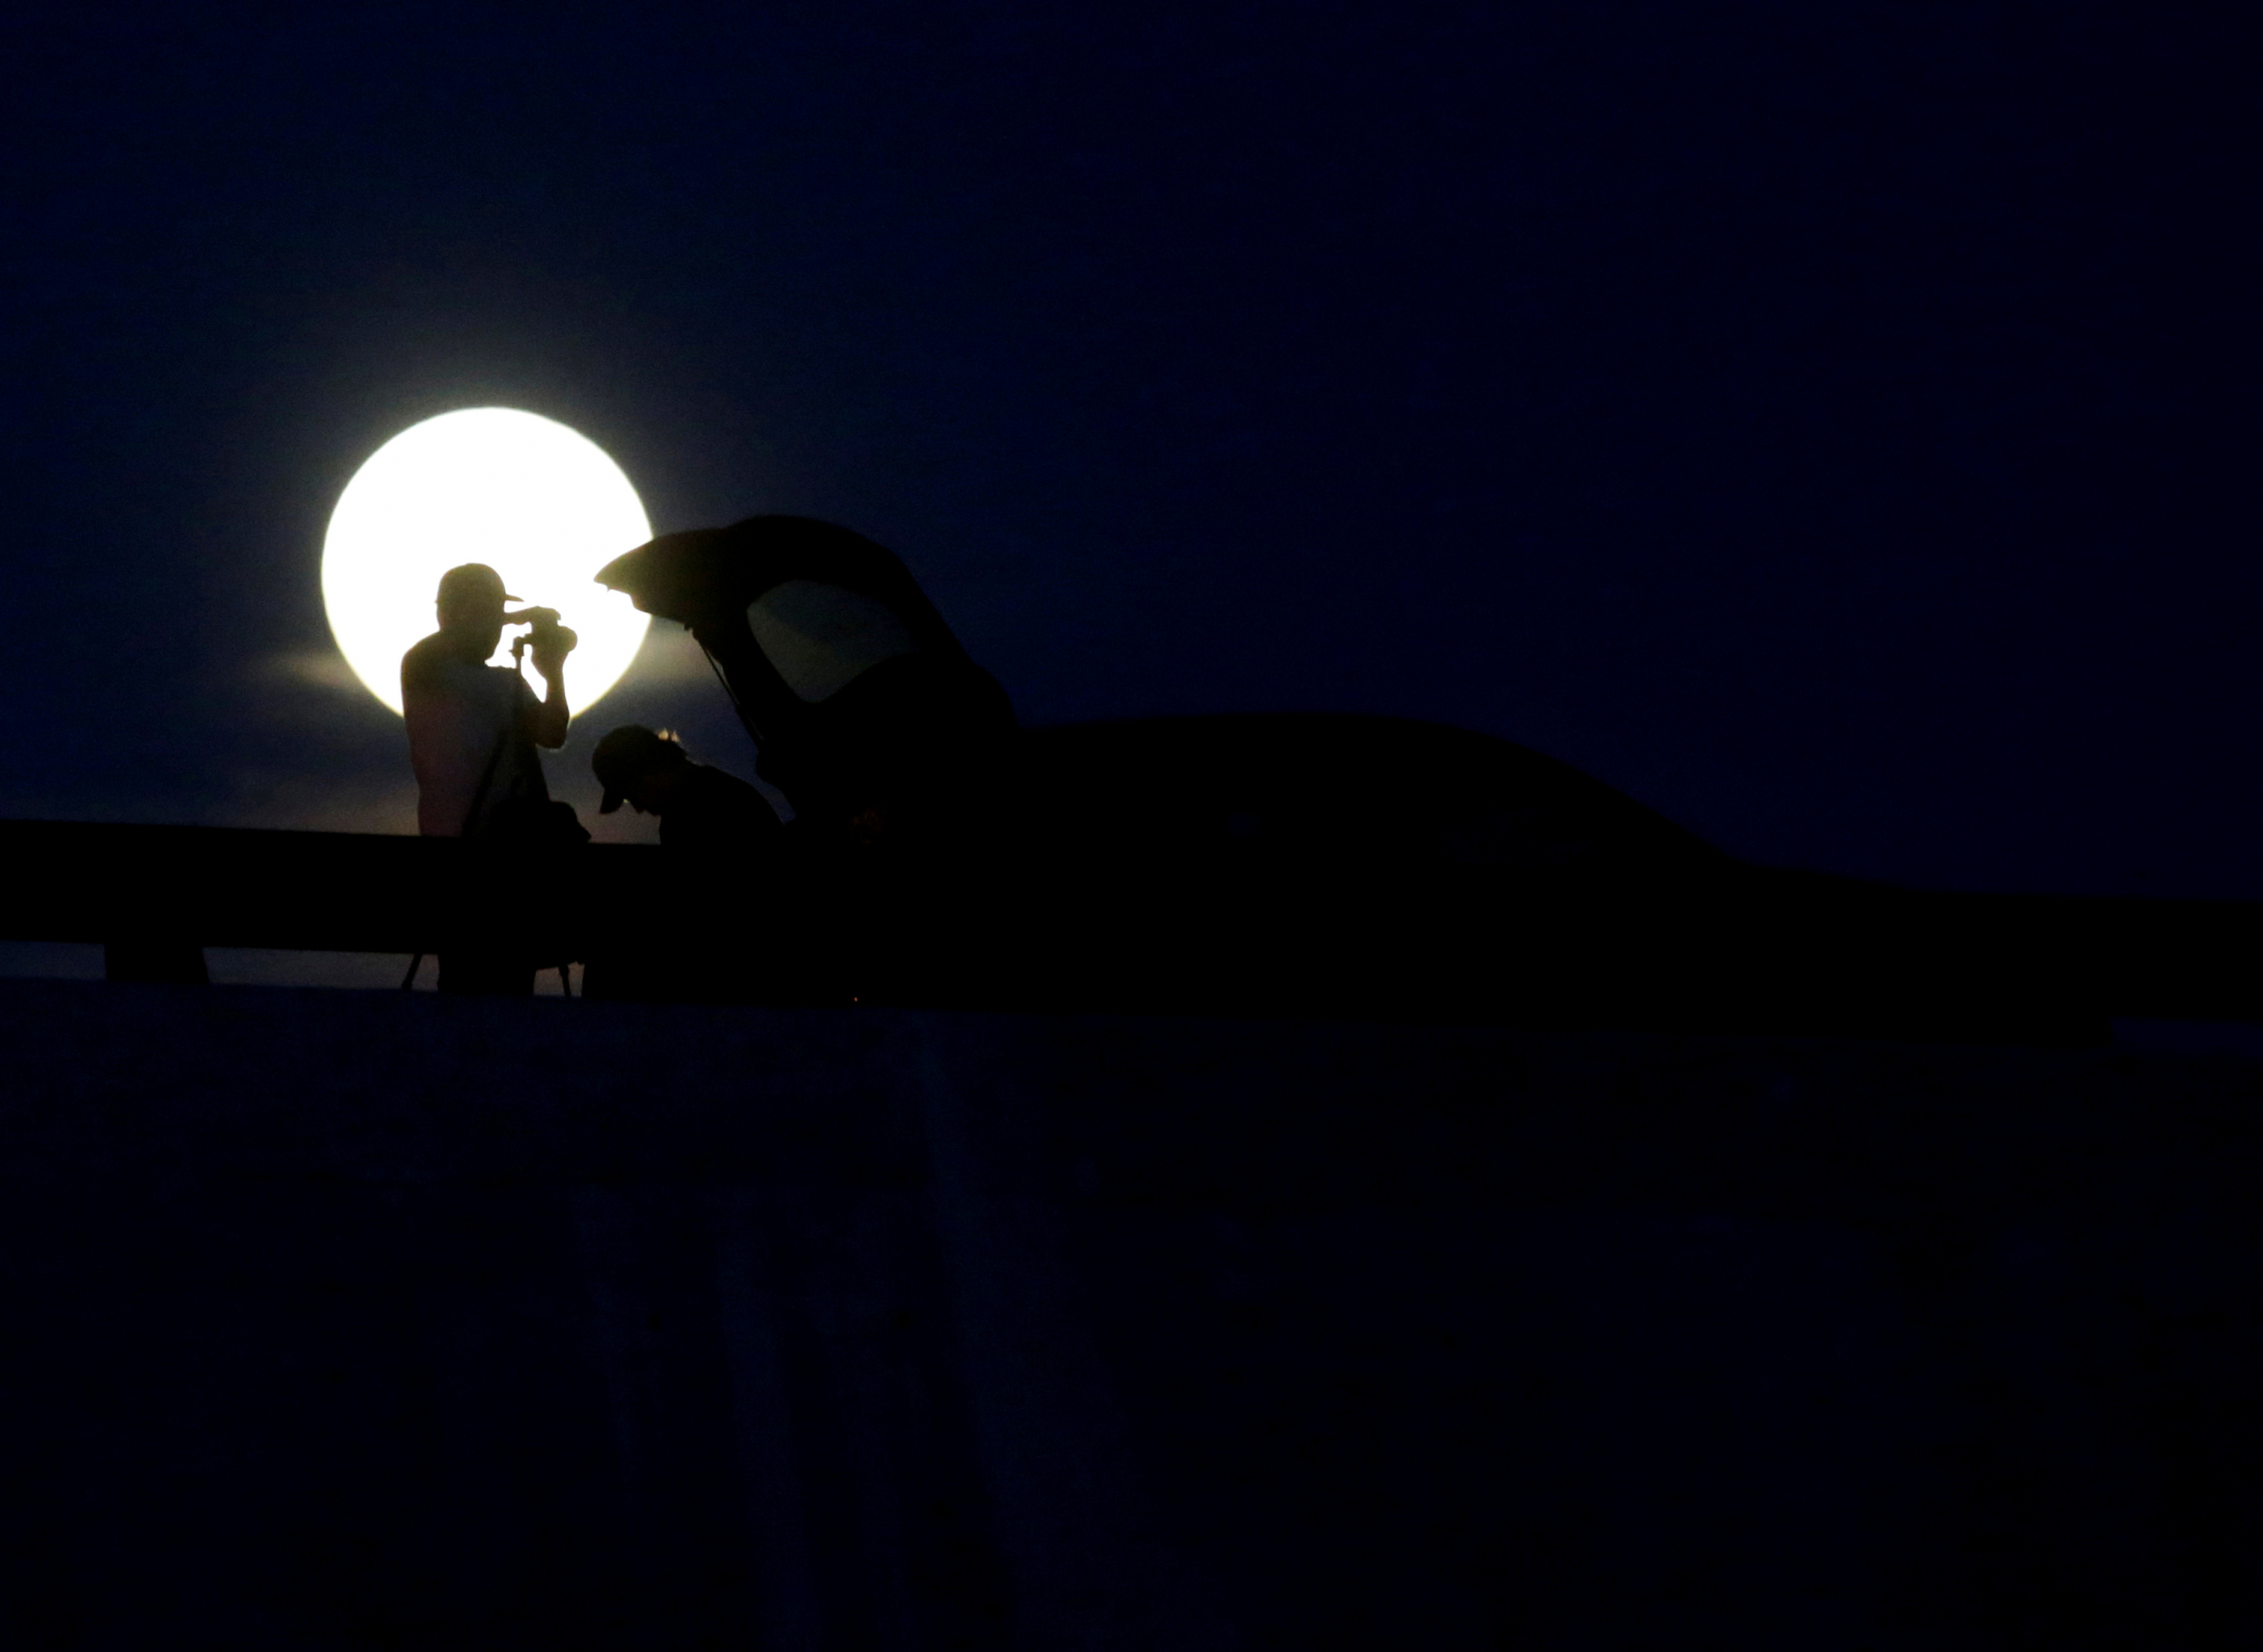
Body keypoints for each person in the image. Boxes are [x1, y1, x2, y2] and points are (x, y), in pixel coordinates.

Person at [401, 563, 580, 994]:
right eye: (484, 611)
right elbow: (439, 646)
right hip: (458, 851)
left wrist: (552, 670)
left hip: (513, 850)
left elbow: (552, 733)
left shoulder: (506, 682)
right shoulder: (426, 669)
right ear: (447, 614)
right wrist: (511, 616)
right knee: (467, 976)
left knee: (510, 977)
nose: (496, 628)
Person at [591, 725, 781, 852]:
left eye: (631, 795)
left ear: (646, 770)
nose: (638, 808)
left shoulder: (700, 811)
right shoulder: (721, 792)